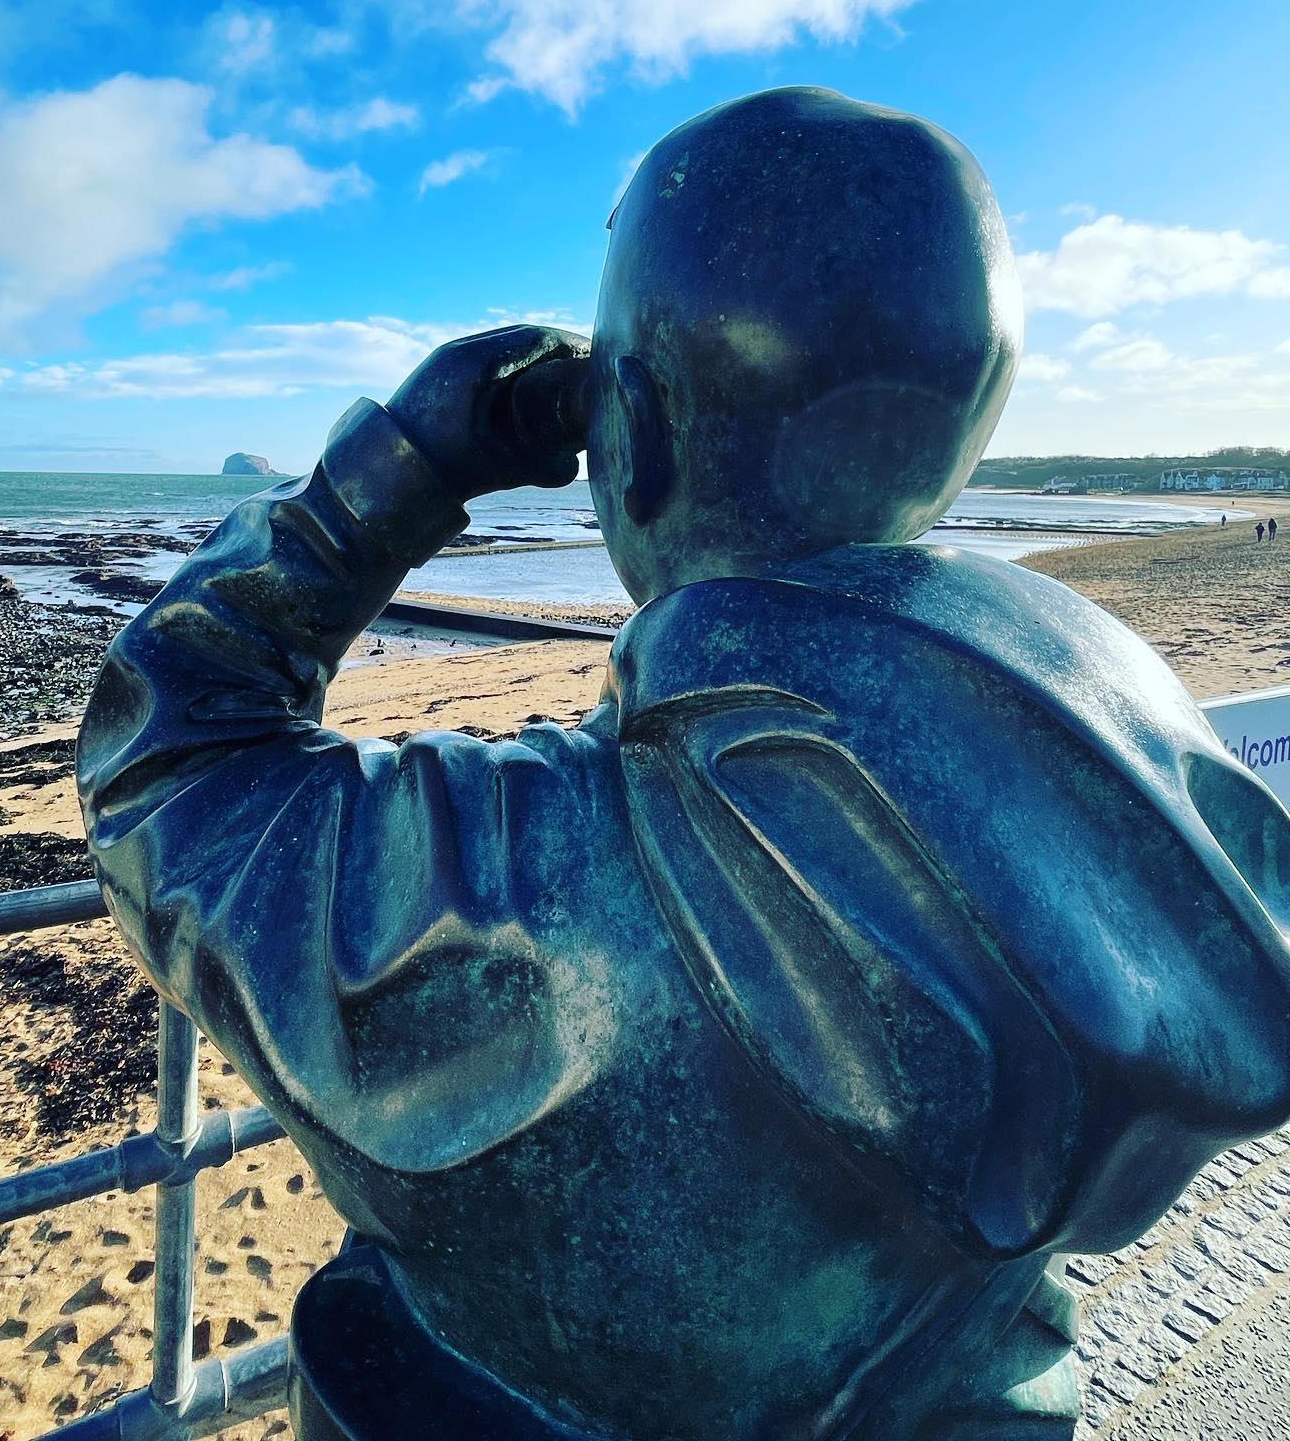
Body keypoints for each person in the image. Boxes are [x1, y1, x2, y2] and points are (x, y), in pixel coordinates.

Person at [79, 89, 1290, 1441]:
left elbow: (163, 765)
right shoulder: (1143, 787)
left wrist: (395, 473)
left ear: (636, 432)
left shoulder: (502, 879)